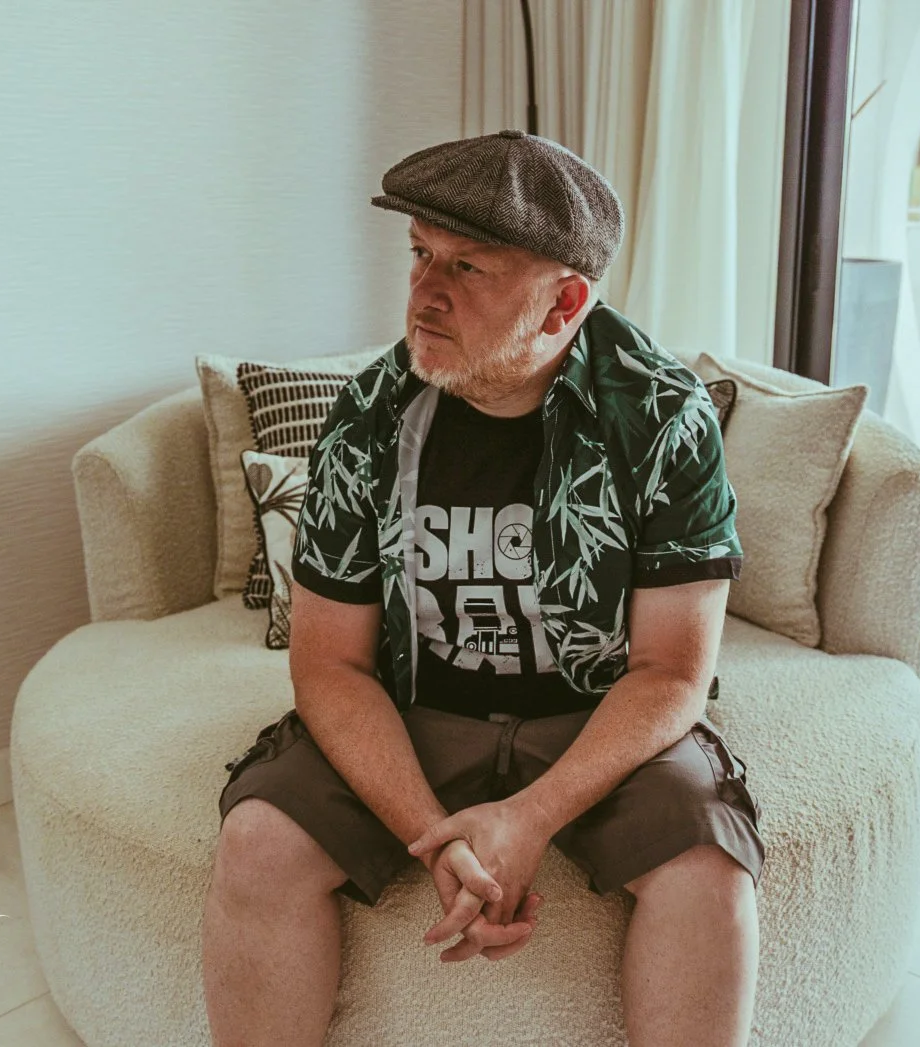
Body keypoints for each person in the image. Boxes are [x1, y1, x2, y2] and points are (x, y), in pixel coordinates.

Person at [201, 129, 766, 1047]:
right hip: (413, 707)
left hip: (602, 716)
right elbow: (331, 665)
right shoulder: (370, 416)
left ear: (563, 302)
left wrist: (528, 818)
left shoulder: (661, 415)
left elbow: (671, 671)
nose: (425, 294)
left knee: (707, 863)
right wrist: (441, 836)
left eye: (469, 267)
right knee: (258, 841)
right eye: (421, 254)